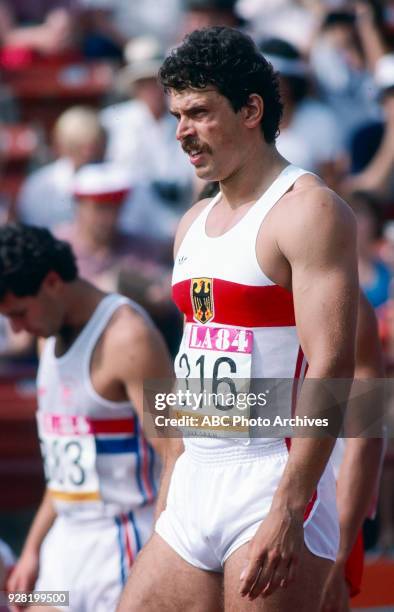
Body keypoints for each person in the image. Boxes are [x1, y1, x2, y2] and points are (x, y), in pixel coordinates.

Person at [118, 26, 359, 611]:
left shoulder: (307, 208)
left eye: (198, 112)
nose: (182, 133)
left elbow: (334, 366)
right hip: (197, 476)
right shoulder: (192, 222)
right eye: (176, 115)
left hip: (271, 476)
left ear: (251, 109)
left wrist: (290, 504)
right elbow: (191, 363)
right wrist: (174, 470)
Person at [1, 223, 177, 612]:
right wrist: (31, 549)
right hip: (63, 544)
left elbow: (174, 452)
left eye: (18, 313)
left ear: (50, 282)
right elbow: (66, 466)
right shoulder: (47, 332)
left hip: (122, 542)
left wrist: (163, 555)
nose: (15, 329)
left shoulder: (127, 337)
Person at [321, 293, 384, 612]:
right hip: (223, 495)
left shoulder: (349, 308)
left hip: (321, 518)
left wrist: (340, 554)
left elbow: (368, 437)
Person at [17, 107, 106, 230]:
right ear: (62, 146)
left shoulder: (119, 181)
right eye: (77, 146)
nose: (87, 153)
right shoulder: (39, 185)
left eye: (94, 146)